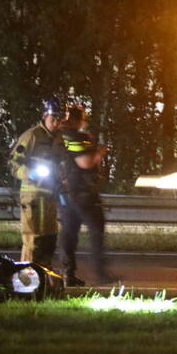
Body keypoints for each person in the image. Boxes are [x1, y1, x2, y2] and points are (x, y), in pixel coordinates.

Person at [59, 105, 113, 285]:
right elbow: (85, 162)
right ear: (78, 119)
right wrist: (100, 151)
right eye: (83, 118)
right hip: (82, 192)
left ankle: (68, 274)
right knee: (96, 229)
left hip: (65, 192)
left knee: (69, 233)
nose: (85, 121)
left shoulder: (59, 136)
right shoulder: (75, 136)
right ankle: (100, 273)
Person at [9, 97, 64, 268]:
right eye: (52, 118)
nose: (55, 122)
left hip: (50, 197)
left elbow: (61, 162)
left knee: (49, 239)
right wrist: (29, 173)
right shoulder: (31, 136)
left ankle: (43, 280)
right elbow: (13, 163)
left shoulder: (59, 139)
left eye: (58, 119)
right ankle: (26, 281)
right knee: (33, 241)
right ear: (44, 117)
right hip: (32, 196)